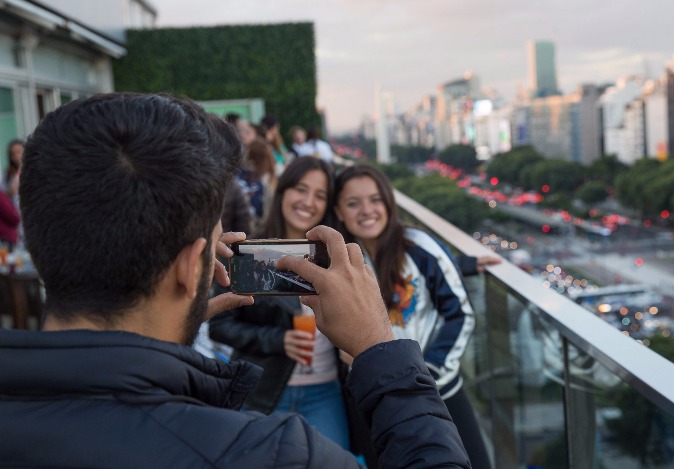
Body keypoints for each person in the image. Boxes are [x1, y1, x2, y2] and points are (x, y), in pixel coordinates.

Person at [0, 93, 470, 468]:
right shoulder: (278, 454)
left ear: (40, 255)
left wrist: (165, 326)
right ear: (191, 268)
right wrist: (376, 350)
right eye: (218, 237)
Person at [334, 163, 492, 469]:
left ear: (389, 204)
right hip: (374, 398)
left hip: (438, 394)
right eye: (353, 203)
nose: (366, 210)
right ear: (339, 212)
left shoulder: (420, 247)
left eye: (375, 199)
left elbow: (461, 316)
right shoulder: (344, 262)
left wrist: (424, 379)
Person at [210, 157, 352, 450]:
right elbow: (219, 326)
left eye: (320, 195)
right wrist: (279, 340)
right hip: (262, 392)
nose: (308, 201)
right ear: (283, 191)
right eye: (301, 189)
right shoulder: (252, 253)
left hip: (325, 392)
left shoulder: (337, 260)